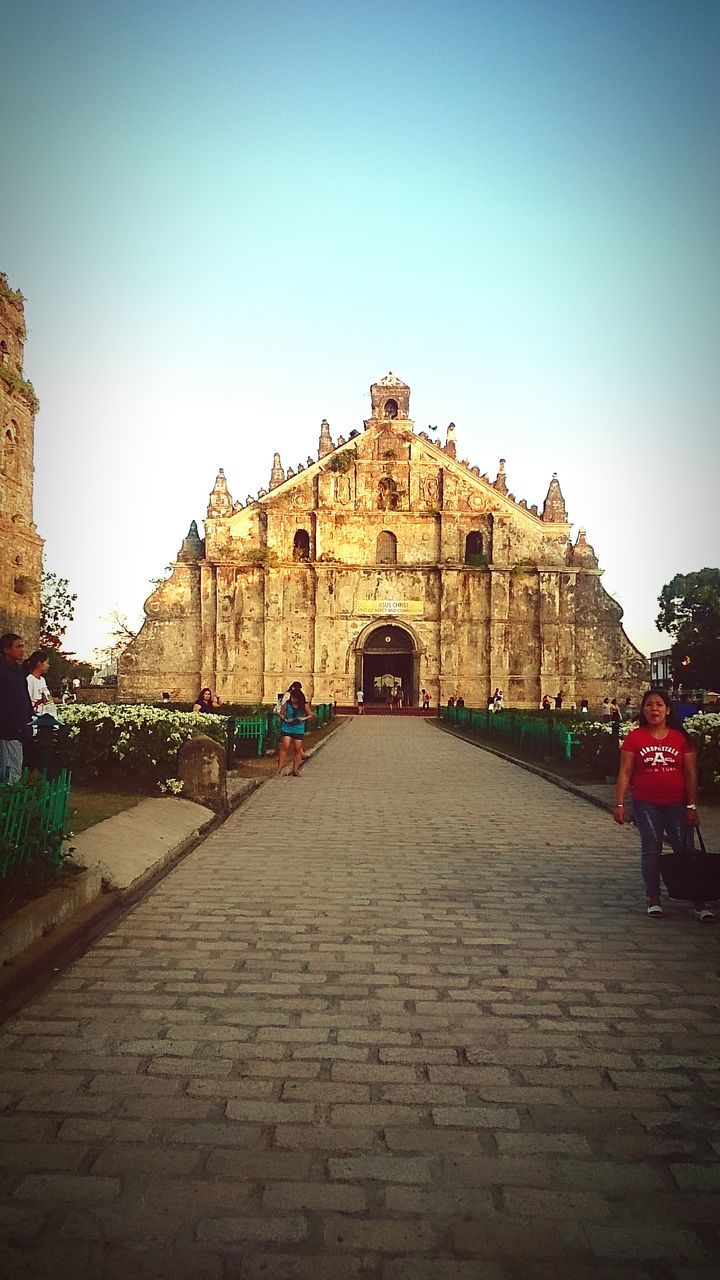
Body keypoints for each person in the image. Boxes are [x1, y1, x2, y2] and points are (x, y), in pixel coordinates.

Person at [614, 688, 714, 922]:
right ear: (643, 710)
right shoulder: (635, 737)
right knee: (651, 849)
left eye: (659, 705)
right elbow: (625, 772)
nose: (654, 709)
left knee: (685, 850)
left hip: (677, 803)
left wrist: (691, 806)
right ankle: (654, 898)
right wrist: (619, 803)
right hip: (646, 802)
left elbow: (690, 773)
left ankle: (698, 899)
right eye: (649, 705)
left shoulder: (681, 739)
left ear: (668, 710)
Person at [0, 633, 33, 783]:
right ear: (7, 649)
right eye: (18, 647)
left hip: (20, 728)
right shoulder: (3, 672)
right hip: (9, 731)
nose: (22, 650)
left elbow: (23, 699)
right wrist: (15, 726)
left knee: (15, 769)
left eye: (22, 646)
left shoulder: (18, 672)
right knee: (10, 774)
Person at [276, 687, 313, 776]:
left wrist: (303, 718)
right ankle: (279, 769)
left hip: (298, 728)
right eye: (291, 698)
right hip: (287, 727)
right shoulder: (287, 704)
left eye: (294, 698)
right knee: (285, 746)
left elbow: (310, 714)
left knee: (297, 749)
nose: (292, 700)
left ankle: (295, 769)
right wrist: (285, 719)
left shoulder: (303, 705)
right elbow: (281, 714)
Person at [25, 650, 57, 719]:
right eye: (47, 663)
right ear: (39, 663)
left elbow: (47, 698)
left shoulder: (42, 680)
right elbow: (27, 701)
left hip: (48, 718)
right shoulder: (30, 680)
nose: (48, 666)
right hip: (38, 720)